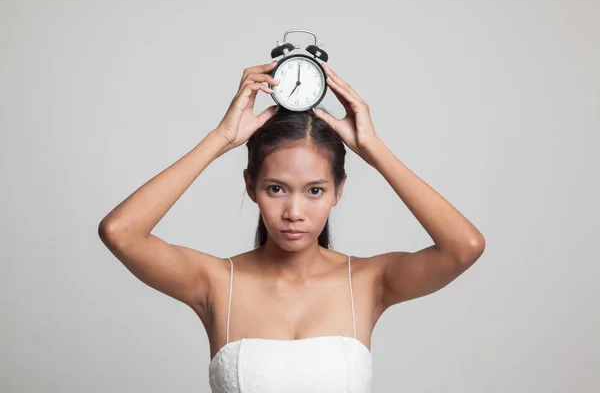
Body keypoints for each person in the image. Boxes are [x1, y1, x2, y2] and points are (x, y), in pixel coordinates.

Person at [98, 60, 486, 392]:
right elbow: (120, 232)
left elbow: (464, 246)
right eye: (276, 189)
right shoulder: (215, 281)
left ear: (338, 190)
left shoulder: (368, 281)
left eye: (315, 190)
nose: (294, 211)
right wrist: (221, 139)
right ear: (250, 186)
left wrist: (373, 149)